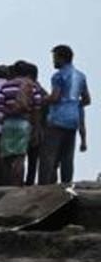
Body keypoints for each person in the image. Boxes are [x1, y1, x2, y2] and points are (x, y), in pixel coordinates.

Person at [40, 45, 90, 185]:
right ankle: (66, 186)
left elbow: (55, 97)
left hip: (57, 120)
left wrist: (42, 100)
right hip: (73, 121)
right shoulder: (81, 76)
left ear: (62, 58)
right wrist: (73, 104)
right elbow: (86, 100)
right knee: (67, 158)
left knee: (49, 157)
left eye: (55, 58)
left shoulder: (58, 76)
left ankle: (44, 188)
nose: (53, 61)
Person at [0, 62, 47, 186]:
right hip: (24, 124)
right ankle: (17, 185)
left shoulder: (6, 86)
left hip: (8, 123)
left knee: (7, 156)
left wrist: (10, 112)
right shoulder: (32, 86)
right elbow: (37, 108)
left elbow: (0, 106)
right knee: (20, 157)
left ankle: (8, 183)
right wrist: (35, 127)